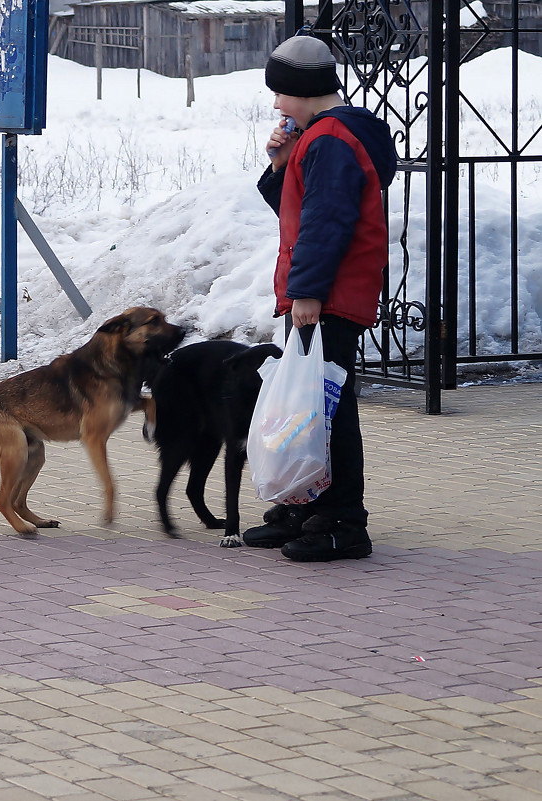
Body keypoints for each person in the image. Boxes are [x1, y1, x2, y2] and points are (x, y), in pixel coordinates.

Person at [242, 34, 398, 562]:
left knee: (326, 410)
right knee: (310, 407)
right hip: (323, 291)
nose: (276, 105)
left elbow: (327, 221)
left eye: (280, 94)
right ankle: (306, 507)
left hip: (328, 294)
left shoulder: (332, 139)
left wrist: (308, 291)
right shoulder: (320, 138)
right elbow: (295, 208)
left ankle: (341, 521)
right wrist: (283, 162)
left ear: (301, 91)